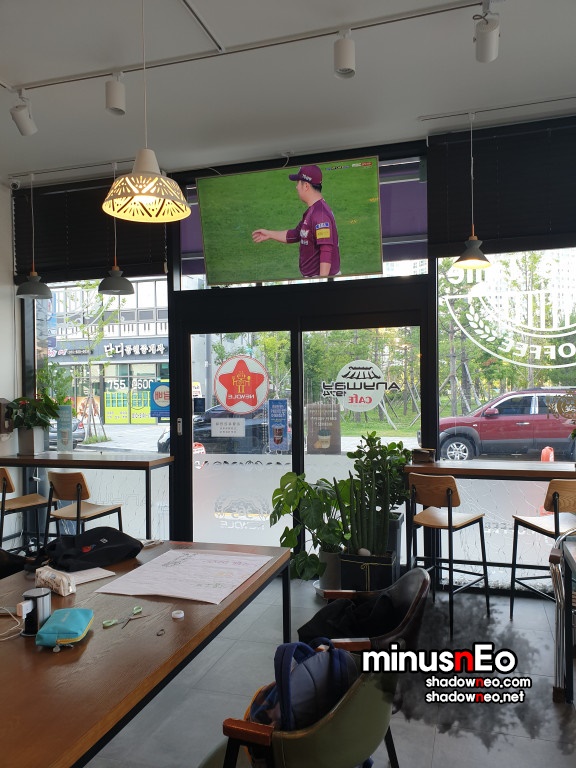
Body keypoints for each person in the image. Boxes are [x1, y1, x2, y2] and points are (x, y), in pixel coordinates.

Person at [252, 165, 340, 278]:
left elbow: (326, 251)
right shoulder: (313, 211)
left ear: (306, 186)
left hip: (319, 278)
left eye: (298, 183)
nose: (296, 187)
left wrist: (321, 282)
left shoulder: (320, 215)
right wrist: (269, 234)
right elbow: (295, 234)